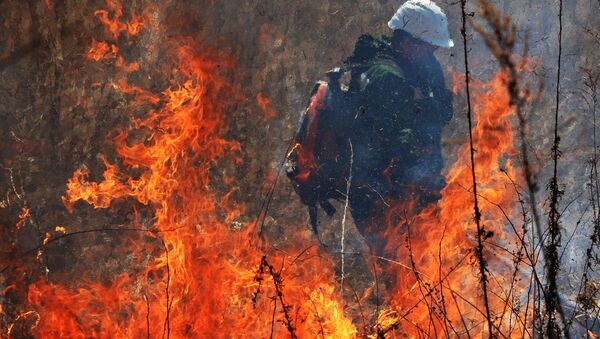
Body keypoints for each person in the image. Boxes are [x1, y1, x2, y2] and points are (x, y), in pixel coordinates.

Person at [286, 0, 454, 252]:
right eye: (428, 47)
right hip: (379, 192)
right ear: (409, 41)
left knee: (419, 266)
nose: (432, 54)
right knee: (401, 266)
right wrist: (424, 181)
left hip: (397, 186)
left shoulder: (414, 68)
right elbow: (399, 138)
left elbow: (441, 112)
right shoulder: (385, 76)